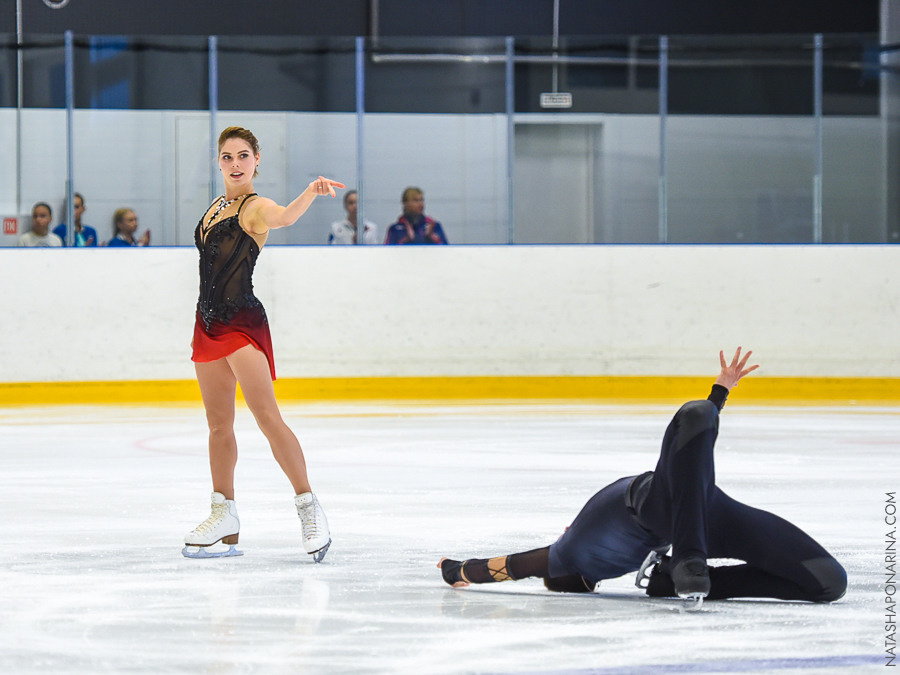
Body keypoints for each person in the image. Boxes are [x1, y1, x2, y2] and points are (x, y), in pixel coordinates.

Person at [438, 348, 847, 606]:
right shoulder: (571, 555)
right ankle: (682, 570)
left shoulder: (572, 553)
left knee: (698, 416)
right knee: (828, 583)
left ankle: (688, 560)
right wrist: (457, 570)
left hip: (671, 495)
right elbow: (508, 567)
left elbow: (506, 567)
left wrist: (458, 570)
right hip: (684, 510)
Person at [183, 126, 345, 563]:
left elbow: (286, 217)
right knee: (218, 425)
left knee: (267, 417)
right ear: (219, 162)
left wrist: (311, 191)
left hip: (241, 322)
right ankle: (224, 515)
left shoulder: (256, 207)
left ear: (257, 161)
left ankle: (310, 508)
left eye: (243, 156)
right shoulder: (216, 207)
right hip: (207, 323)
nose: (235, 164)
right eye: (227, 157)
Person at [384, 187, 448, 245]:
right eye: (416, 201)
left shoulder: (434, 226)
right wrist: (407, 240)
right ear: (405, 203)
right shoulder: (395, 229)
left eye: (422, 200)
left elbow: (447, 251)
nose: (421, 204)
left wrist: (430, 237)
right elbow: (387, 253)